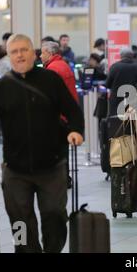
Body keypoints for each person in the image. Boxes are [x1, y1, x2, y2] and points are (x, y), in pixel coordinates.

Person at [0, 34, 84, 253]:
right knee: (19, 222)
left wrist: (75, 130)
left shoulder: (51, 80)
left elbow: (73, 111)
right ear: (9, 56)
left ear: (33, 52)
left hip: (52, 166)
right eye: (14, 52)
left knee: (55, 215)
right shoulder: (1, 86)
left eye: (23, 50)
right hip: (15, 169)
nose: (19, 55)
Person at [41, 41, 80, 188]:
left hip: (58, 116)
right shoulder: (62, 65)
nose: (40, 55)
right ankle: (64, 178)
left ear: (50, 53)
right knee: (62, 150)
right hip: (66, 115)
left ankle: (60, 179)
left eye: (42, 52)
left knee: (57, 150)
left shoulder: (53, 69)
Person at [106, 48, 137, 116]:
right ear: (132, 56)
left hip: (116, 99)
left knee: (116, 121)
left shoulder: (114, 67)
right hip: (133, 99)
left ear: (121, 56)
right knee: (132, 121)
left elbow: (108, 84)